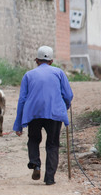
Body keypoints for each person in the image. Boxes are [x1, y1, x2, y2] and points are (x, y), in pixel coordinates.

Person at [13, 46, 74, 185]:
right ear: (51, 61)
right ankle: (50, 178)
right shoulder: (59, 73)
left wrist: (18, 125)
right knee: (52, 145)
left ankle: (36, 164)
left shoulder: (28, 75)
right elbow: (68, 95)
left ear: (36, 60)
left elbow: (22, 100)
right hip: (54, 113)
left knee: (34, 139)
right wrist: (65, 106)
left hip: (33, 113)